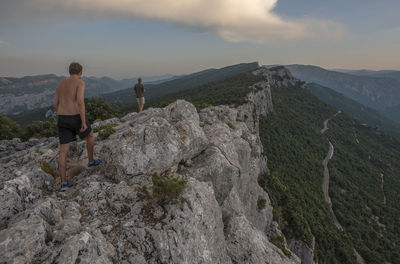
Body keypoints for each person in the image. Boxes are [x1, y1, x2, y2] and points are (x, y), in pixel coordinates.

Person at [53, 62, 101, 191]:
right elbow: (80, 102)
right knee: (89, 135)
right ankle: (91, 161)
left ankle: (63, 183)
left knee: (63, 151)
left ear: (69, 71)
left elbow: (54, 104)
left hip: (62, 118)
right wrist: (83, 122)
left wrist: (62, 114)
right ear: (80, 72)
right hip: (75, 117)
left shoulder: (60, 84)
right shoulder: (80, 83)